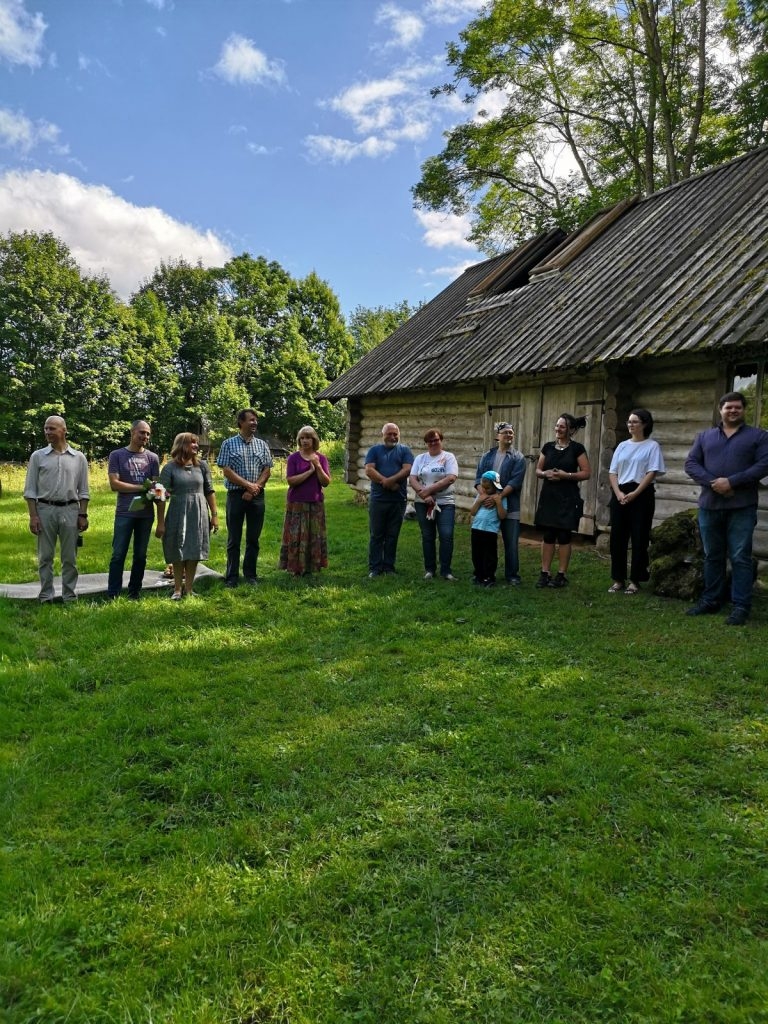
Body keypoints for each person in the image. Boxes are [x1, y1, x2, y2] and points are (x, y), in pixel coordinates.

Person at [684, 391, 768, 625]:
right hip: (710, 505)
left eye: (737, 407)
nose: (733, 411)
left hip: (742, 506)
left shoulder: (758, 436)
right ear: (720, 410)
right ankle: (711, 600)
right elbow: (691, 463)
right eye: (728, 407)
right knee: (712, 555)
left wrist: (732, 481)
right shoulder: (705, 436)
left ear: (743, 410)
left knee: (740, 556)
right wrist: (715, 483)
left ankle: (741, 605)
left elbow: (764, 464)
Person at [23, 415, 90, 603]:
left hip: (70, 510)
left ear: (64, 430)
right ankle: (46, 595)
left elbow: (83, 490)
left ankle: (69, 596)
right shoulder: (38, 457)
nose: (47, 432)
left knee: (69, 558)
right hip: (45, 509)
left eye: (52, 428)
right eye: (45, 429)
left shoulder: (79, 458)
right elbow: (30, 490)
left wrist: (82, 514)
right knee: (45, 557)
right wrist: (33, 516)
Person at [608, 409, 666, 594]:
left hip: (641, 493)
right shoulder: (622, 446)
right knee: (618, 537)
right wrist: (618, 493)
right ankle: (618, 579)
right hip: (620, 494)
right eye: (629, 422)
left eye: (635, 422)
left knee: (640, 537)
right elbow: (612, 472)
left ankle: (636, 579)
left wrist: (636, 493)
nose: (630, 425)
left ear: (645, 424)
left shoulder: (652, 446)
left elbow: (652, 472)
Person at [155, 433, 219, 599]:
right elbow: (160, 495)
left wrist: (215, 515)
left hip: (198, 511)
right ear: (182, 445)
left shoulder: (203, 466)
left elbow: (209, 491)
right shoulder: (169, 468)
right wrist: (160, 522)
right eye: (193, 443)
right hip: (178, 511)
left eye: (197, 443)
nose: (197, 446)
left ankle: (189, 588)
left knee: (194, 548)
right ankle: (177, 589)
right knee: (178, 547)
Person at [216, 409, 273, 588]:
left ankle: (250, 574)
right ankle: (231, 577)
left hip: (257, 496)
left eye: (256, 420)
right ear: (241, 423)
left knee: (253, 538)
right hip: (236, 496)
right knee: (234, 538)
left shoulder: (262, 445)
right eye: (251, 420)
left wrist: (255, 488)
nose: (255, 423)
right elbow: (226, 470)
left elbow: (267, 469)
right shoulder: (228, 444)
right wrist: (247, 486)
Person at [534, 413, 591, 588]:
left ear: (571, 430)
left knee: (564, 536)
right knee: (549, 535)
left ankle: (561, 575)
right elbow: (538, 470)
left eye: (562, 426)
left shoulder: (577, 448)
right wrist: (545, 474)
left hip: (568, 496)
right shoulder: (548, 447)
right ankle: (545, 573)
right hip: (549, 495)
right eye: (557, 426)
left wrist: (567, 475)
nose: (558, 429)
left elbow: (586, 472)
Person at [106, 419, 161, 600]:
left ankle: (134, 591)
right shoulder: (117, 455)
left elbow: (155, 486)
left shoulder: (152, 458)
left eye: (147, 434)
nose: (145, 436)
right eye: (142, 433)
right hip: (124, 513)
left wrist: (159, 492)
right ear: (132, 432)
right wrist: (140, 488)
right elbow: (115, 484)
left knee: (140, 555)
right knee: (118, 554)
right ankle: (113, 592)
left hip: (145, 514)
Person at [474, 422, 527, 585]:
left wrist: (498, 497)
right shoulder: (487, 456)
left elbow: (515, 481)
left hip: (509, 505)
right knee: (485, 543)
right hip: (486, 508)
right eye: (505, 432)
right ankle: (484, 573)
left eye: (511, 433)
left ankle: (512, 575)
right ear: (498, 436)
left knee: (510, 542)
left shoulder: (518, 458)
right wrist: (484, 496)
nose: (509, 435)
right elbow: (478, 479)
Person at [279, 425, 331, 576]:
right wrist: (309, 472)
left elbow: (326, 482)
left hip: (315, 503)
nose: (305, 441)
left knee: (314, 536)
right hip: (296, 503)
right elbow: (291, 481)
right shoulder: (293, 458)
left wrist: (318, 467)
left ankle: (311, 567)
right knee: (296, 536)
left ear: (314, 440)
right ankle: (296, 568)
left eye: (308, 437)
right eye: (302, 438)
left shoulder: (321, 458)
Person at [364, 422, 414, 577]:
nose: (392, 436)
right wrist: (385, 482)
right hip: (378, 500)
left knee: (392, 535)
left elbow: (407, 469)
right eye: (389, 433)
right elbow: (369, 469)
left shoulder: (405, 450)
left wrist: (390, 481)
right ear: (383, 434)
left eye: (395, 434)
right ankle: (375, 568)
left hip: (398, 501)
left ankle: (389, 567)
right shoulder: (374, 450)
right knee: (376, 535)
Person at [408, 428, 459, 580]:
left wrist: (428, 490)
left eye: (436, 440)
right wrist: (424, 495)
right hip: (423, 503)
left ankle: (446, 571)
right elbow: (412, 478)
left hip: (445, 503)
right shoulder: (420, 458)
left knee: (446, 535)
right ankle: (430, 570)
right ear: (426, 443)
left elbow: (450, 478)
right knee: (428, 536)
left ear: (441, 441)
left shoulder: (448, 457)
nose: (433, 443)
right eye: (430, 441)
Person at [469, 470, 507, 587]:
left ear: (495, 486)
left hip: (490, 531)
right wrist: (479, 501)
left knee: (489, 554)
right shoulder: (480, 496)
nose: (485, 490)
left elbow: (502, 515)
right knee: (477, 553)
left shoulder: (500, 498)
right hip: (476, 529)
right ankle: (478, 574)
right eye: (483, 488)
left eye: (488, 488)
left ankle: (489, 576)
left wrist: (498, 503)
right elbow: (473, 512)